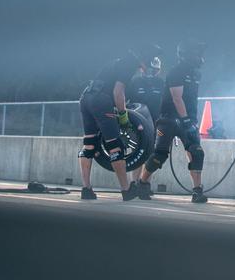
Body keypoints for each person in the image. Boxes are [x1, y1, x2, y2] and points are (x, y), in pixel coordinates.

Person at [136, 40, 208, 203]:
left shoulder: (196, 73)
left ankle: (197, 191)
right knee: (159, 155)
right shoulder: (176, 72)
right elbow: (177, 98)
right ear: (188, 55)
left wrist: (191, 121)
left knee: (196, 152)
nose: (200, 57)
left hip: (188, 119)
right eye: (197, 53)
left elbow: (191, 99)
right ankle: (143, 183)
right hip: (168, 119)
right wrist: (186, 120)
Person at [77, 52, 145, 200]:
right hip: (101, 100)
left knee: (89, 144)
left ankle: (86, 189)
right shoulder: (130, 64)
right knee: (115, 145)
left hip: (86, 97)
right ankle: (126, 191)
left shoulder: (116, 62)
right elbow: (118, 92)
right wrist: (123, 116)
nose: (141, 70)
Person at [127, 46, 164, 184]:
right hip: (138, 125)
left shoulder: (161, 83)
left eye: (154, 69)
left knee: (151, 155)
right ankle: (133, 183)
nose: (151, 72)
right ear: (142, 69)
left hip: (155, 123)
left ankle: (145, 183)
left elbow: (166, 102)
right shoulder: (134, 82)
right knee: (138, 152)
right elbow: (126, 102)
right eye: (149, 69)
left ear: (158, 70)